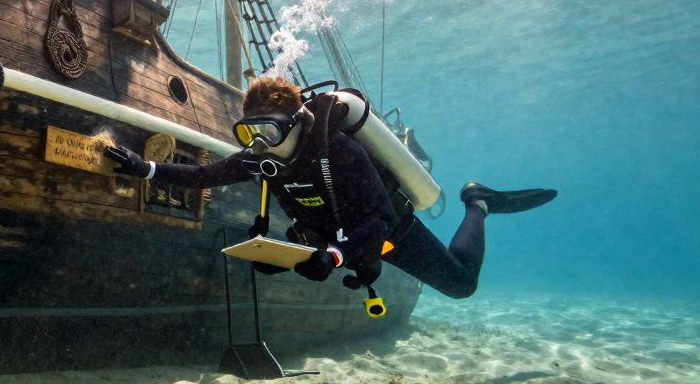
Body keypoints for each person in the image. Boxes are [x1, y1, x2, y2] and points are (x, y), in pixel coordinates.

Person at [103, 77, 556, 300]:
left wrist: (336, 256)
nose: (259, 143)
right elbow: (203, 175)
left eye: (268, 131)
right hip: (339, 244)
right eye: (247, 133)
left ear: (297, 123)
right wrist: (145, 168)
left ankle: (476, 203)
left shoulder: (336, 151)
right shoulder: (264, 159)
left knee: (460, 286)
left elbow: (378, 219)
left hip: (389, 233)